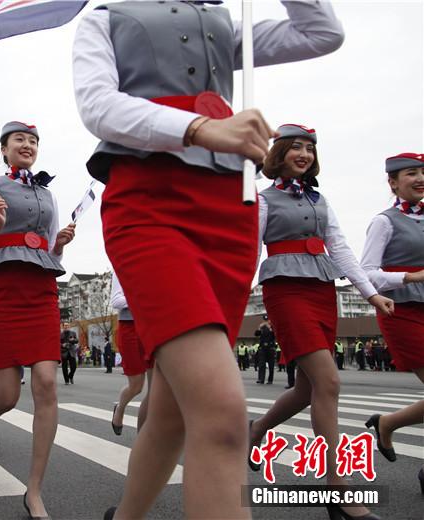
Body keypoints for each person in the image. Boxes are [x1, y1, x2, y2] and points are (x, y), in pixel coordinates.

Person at [73, 2, 348, 518]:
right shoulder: (107, 15)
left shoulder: (224, 20)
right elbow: (98, 107)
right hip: (151, 207)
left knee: (174, 412)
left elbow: (322, 32)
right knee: (222, 412)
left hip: (229, 215)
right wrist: (200, 128)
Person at [248, 124, 394, 520]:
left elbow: (341, 249)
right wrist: (231, 301)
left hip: (321, 290)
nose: (305, 154)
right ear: (279, 153)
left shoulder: (319, 199)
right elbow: (247, 253)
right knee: (329, 381)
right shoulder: (262, 201)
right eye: (296, 147)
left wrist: (370, 293)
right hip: (285, 292)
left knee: (305, 389)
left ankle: (257, 428)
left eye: (310, 148)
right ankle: (337, 489)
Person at [0, 121, 75, 519]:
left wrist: (58, 244)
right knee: (6, 394)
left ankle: (35, 490)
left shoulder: (48, 194)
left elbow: (53, 254)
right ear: (4, 150)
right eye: (19, 140)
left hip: (41, 291)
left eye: (33, 141)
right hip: (4, 291)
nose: (27, 145)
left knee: (46, 382)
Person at [360, 152, 424, 495]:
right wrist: (412, 276)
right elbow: (367, 274)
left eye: (423, 172)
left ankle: (387, 423)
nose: (420, 179)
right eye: (411, 173)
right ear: (393, 182)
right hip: (402, 313)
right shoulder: (384, 222)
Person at [110, 271, 153, 435]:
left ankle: (146, 439)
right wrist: (143, 299)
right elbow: (116, 301)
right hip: (130, 328)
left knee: (155, 390)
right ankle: (120, 408)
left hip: (153, 327)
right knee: (136, 386)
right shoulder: (122, 265)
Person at [255, 316, 276, 385]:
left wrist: (269, 328)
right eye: (265, 320)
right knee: (261, 364)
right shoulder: (262, 327)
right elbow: (256, 334)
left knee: (271, 365)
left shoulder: (272, 327)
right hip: (262, 348)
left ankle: (270, 380)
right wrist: (259, 328)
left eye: (267, 320)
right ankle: (261, 379)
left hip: (270, 348)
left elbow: (274, 336)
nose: (266, 322)